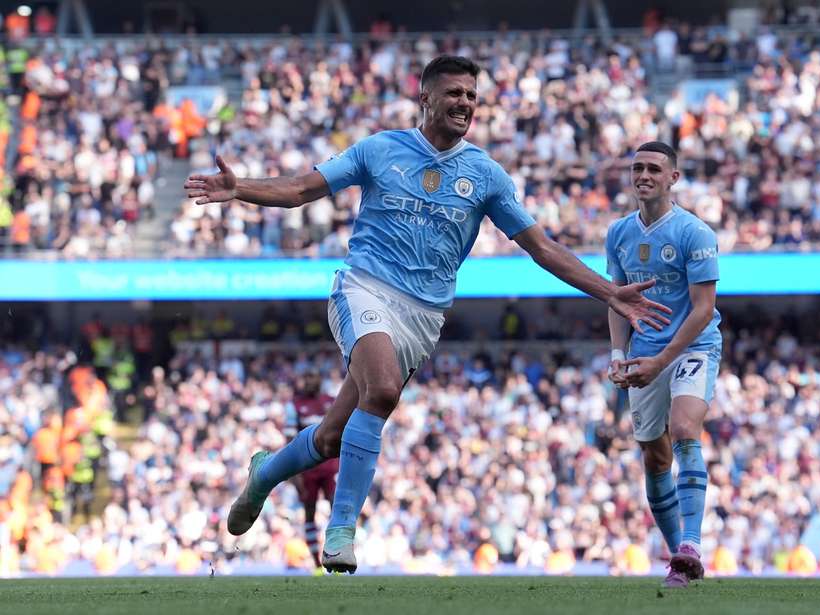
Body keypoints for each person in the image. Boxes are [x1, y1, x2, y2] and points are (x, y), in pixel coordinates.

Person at [185, 55, 671, 574]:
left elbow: (542, 248)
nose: (465, 103)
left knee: (331, 437)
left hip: (423, 315)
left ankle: (264, 474)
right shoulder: (380, 149)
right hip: (364, 287)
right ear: (426, 98)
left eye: (472, 96)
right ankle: (341, 531)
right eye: (455, 93)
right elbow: (303, 189)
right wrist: (240, 189)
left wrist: (609, 292)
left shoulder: (484, 174)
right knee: (385, 389)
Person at [606, 141, 721, 588]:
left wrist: (661, 361)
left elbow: (702, 309)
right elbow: (618, 301)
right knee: (654, 456)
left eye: (654, 168)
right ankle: (679, 557)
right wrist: (620, 355)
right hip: (643, 353)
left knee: (686, 429)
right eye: (637, 168)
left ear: (673, 178)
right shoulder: (618, 233)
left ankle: (690, 544)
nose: (643, 175)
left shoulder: (695, 233)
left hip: (692, 346)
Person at [286, 373, 338, 575]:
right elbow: (289, 439)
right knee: (309, 513)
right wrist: (294, 472)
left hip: (330, 465)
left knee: (337, 508)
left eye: (312, 380)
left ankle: (334, 555)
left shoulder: (331, 402)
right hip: (307, 468)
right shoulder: (294, 406)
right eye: (306, 380)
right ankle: (317, 565)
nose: (309, 383)